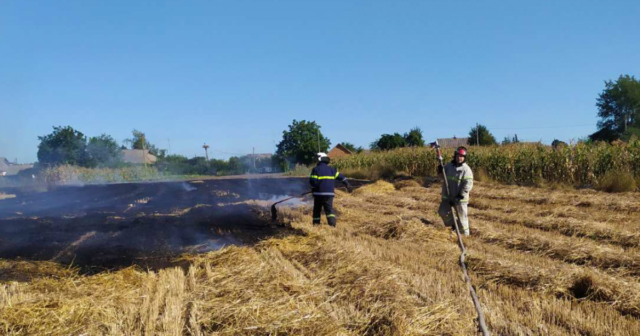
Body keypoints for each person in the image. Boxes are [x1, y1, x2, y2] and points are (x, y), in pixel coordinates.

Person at [438, 146, 474, 236]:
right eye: (458, 156)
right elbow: (442, 176)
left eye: (462, 156)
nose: (459, 158)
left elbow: (468, 184)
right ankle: (454, 225)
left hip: (460, 199)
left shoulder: (466, 170)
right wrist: (439, 170)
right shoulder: (449, 166)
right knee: (443, 211)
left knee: (462, 219)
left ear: (464, 158)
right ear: (455, 155)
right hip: (448, 197)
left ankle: (465, 236)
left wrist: (460, 195)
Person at [309, 153, 352, 226]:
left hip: (318, 194)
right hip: (329, 194)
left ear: (319, 159)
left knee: (317, 210)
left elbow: (313, 182)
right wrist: (347, 184)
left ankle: (316, 225)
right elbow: (341, 177)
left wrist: (314, 189)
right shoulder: (332, 169)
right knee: (329, 209)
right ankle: (332, 225)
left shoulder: (315, 169)